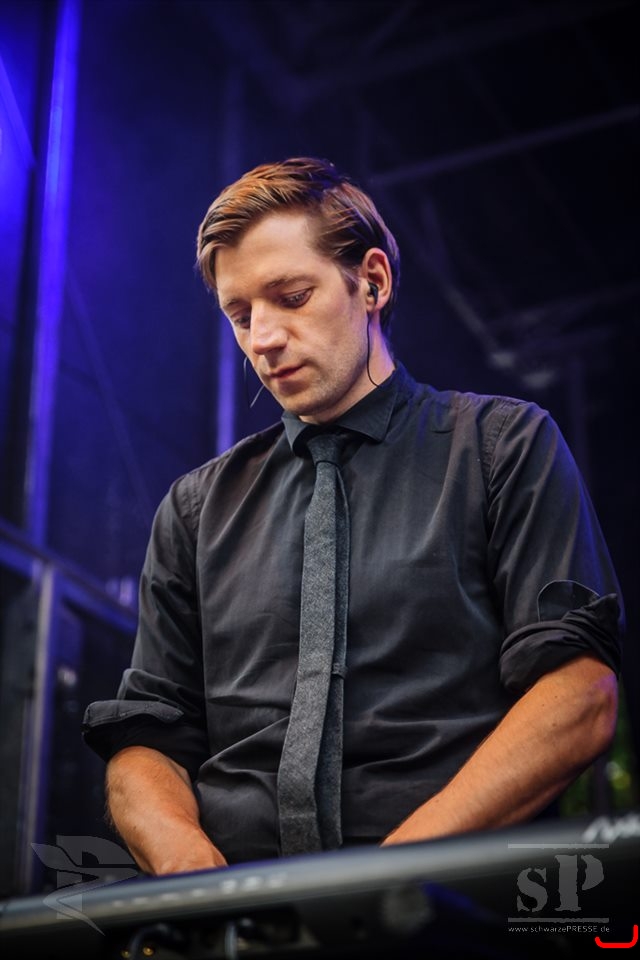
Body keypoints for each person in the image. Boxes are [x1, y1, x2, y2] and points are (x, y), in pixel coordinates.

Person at [82, 157, 623, 876]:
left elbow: (579, 696)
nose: (262, 338)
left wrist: (384, 881)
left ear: (372, 281)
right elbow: (145, 742)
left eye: (291, 297)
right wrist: (194, 878)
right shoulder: (194, 509)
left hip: (453, 905)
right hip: (240, 916)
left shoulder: (502, 447)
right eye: (240, 314)